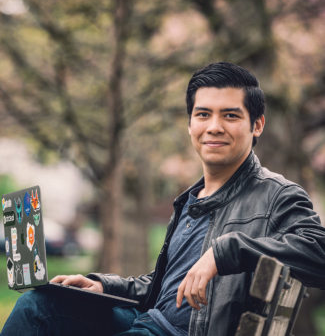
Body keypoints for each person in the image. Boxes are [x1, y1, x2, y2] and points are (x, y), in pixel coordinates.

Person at [2, 62, 325, 336]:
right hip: (149, 321)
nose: (213, 127)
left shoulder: (276, 195)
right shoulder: (191, 200)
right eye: (203, 114)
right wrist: (104, 287)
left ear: (257, 125)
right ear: (189, 125)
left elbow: (319, 255)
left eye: (230, 116)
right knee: (37, 306)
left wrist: (225, 252)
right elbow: (167, 290)